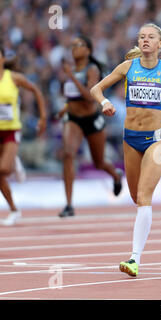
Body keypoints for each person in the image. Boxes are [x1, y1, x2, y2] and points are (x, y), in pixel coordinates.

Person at [90, 23, 161, 277]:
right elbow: (96, 88)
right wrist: (104, 103)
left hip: (157, 139)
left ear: (160, 44)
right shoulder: (128, 67)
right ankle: (141, 236)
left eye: (151, 37)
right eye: (142, 37)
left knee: (144, 198)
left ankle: (134, 258)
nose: (145, 40)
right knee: (136, 198)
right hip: (130, 139)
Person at [58, 35, 123, 218]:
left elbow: (89, 96)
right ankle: (69, 204)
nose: (74, 48)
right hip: (73, 119)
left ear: (88, 50)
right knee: (68, 154)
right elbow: (71, 97)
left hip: (92, 119)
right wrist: (64, 109)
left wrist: (71, 76)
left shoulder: (91, 69)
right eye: (72, 45)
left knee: (99, 162)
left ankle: (116, 175)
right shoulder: (70, 69)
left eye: (78, 45)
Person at [0, 46, 47, 226]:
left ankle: (13, 161)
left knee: (3, 170)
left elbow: (36, 91)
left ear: (3, 59)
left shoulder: (13, 78)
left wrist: (42, 117)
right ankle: (13, 209)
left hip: (11, 131)